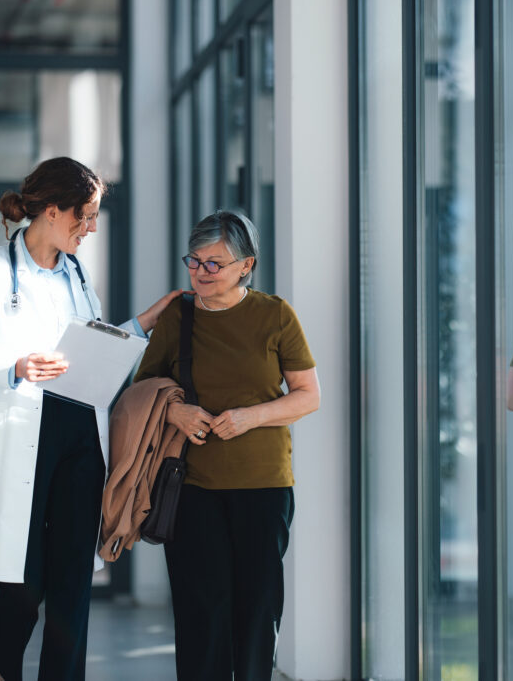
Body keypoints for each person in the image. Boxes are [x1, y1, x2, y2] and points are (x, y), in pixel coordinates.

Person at [0, 156, 182, 681]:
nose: (90, 228)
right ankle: (6, 672)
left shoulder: (78, 278)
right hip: (19, 432)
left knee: (71, 585)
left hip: (79, 435)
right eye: (83, 217)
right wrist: (15, 366)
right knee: (24, 585)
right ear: (49, 209)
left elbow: (92, 345)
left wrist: (143, 323)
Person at [133, 210, 320, 680]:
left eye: (215, 263)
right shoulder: (179, 316)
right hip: (190, 485)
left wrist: (250, 417)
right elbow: (143, 389)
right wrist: (175, 411)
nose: (201, 272)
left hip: (262, 484)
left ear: (246, 265)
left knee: (257, 609)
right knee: (201, 612)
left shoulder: (276, 315)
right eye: (194, 261)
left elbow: (308, 396)